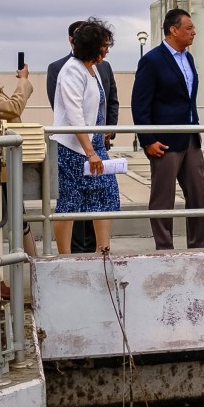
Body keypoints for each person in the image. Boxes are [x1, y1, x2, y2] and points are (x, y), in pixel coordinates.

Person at [131, 9, 204, 250]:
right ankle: (164, 249)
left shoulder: (189, 58)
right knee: (163, 199)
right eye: (189, 28)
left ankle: (198, 246)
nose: (194, 32)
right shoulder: (152, 60)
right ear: (173, 30)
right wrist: (147, 140)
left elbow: (188, 98)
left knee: (198, 197)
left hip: (191, 139)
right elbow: (139, 103)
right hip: (164, 142)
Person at [47, 21, 119, 253]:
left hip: (94, 143)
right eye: (104, 45)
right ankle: (64, 259)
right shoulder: (71, 70)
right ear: (92, 46)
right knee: (69, 204)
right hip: (73, 149)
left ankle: (103, 252)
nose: (107, 50)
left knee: (106, 195)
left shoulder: (93, 68)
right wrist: (90, 152)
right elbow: (74, 114)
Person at [0, 42, 36, 296]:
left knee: (15, 215)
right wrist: (23, 82)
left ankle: (31, 269)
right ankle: (0, 281)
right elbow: (13, 107)